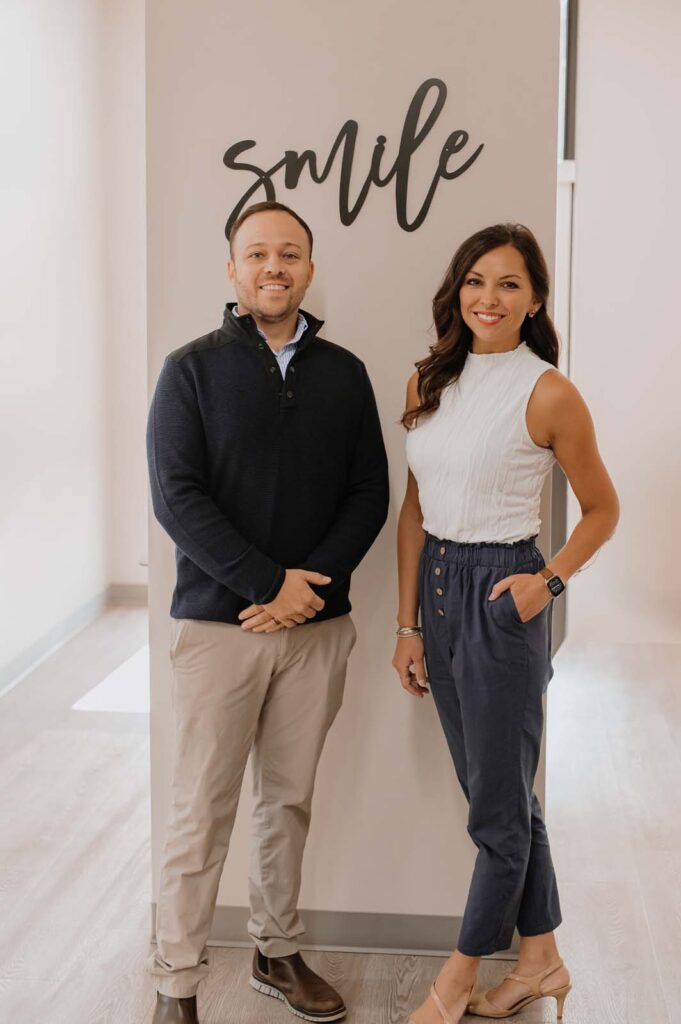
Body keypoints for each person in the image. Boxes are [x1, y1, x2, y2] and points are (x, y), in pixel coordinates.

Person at [146, 200, 389, 1024]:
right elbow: (177, 498)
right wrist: (264, 584)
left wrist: (306, 588)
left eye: (289, 253)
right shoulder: (189, 370)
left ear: (310, 268)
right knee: (200, 807)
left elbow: (369, 494)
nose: (273, 267)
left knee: (286, 800)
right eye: (257, 254)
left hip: (316, 629)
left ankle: (275, 950)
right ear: (232, 269)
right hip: (220, 631)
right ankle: (176, 982)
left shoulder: (345, 373)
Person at [393, 223, 619, 1024]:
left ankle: (454, 982)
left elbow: (601, 510)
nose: (489, 298)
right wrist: (407, 626)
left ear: (534, 301)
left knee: (494, 816)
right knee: (503, 801)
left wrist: (544, 585)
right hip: (440, 597)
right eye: (476, 281)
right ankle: (539, 962)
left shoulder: (547, 389)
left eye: (509, 284)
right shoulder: (430, 381)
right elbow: (413, 513)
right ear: (458, 290)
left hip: (501, 593)